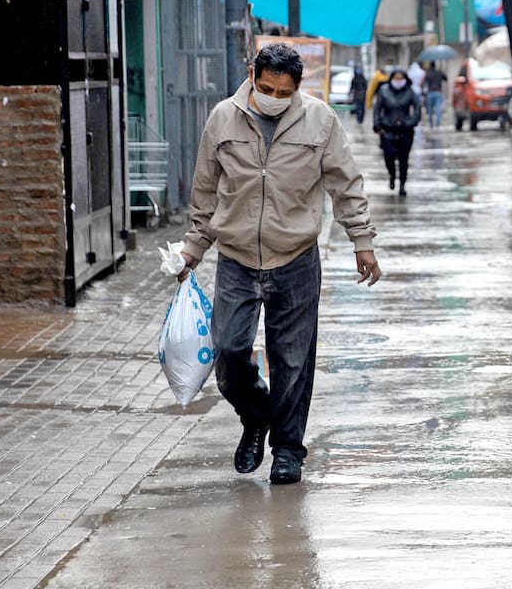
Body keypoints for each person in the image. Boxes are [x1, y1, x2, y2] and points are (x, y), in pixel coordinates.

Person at [178, 43, 382, 486]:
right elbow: (206, 191)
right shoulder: (222, 118)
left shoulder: (320, 120)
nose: (272, 96)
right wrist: (193, 248)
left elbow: (346, 184)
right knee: (229, 352)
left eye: (282, 91)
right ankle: (256, 415)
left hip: (295, 257)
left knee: (292, 360)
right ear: (252, 74)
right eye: (265, 86)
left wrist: (361, 240)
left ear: (297, 87)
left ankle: (288, 450)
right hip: (236, 257)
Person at [372, 66, 421, 196]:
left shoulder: (410, 92)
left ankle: (402, 184)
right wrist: (377, 125)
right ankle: (392, 175)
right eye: (396, 78)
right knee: (389, 157)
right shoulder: (384, 91)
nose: (398, 81)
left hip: (405, 131)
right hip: (388, 130)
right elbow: (377, 109)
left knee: (403, 159)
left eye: (401, 78)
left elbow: (417, 109)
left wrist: (411, 122)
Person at [423, 60, 448, 129]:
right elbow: (446, 78)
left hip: (430, 92)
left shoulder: (427, 73)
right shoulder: (439, 72)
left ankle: (431, 124)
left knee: (430, 110)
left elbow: (424, 83)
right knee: (438, 108)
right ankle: (437, 124)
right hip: (438, 92)